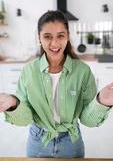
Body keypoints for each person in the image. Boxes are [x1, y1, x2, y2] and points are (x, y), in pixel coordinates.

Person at [0, 10, 113, 158]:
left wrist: (101, 102)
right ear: (39, 38)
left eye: (60, 35)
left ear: (68, 36)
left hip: (72, 142)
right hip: (38, 141)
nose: (54, 43)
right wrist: (14, 103)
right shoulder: (29, 71)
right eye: (47, 36)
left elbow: (87, 120)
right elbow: (26, 118)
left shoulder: (82, 71)